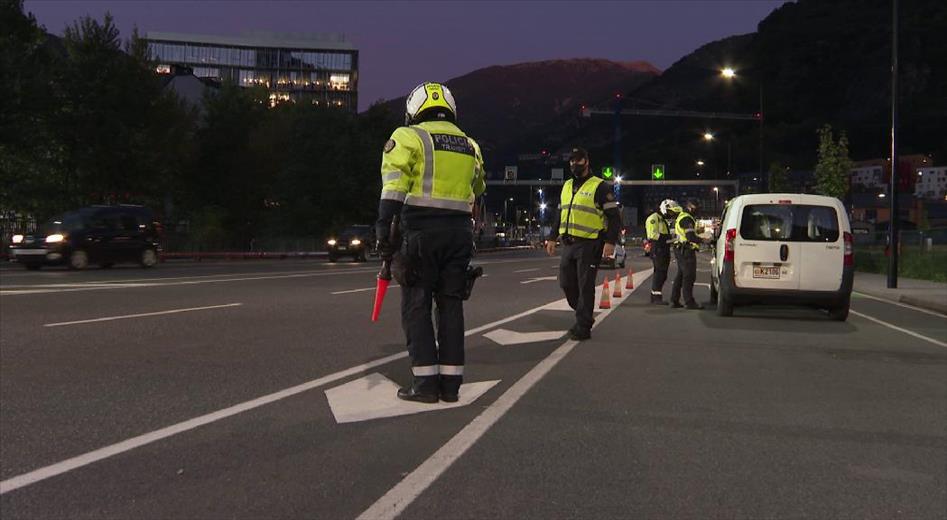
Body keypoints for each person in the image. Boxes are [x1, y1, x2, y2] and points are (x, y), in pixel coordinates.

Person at [375, 82, 486, 403]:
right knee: (451, 304)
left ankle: (424, 383)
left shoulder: (408, 137)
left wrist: (384, 230)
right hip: (458, 235)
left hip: (421, 233)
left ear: (414, 109)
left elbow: (394, 187)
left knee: (416, 304)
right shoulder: (470, 145)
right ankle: (451, 385)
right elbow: (478, 187)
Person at [544, 147, 622, 340]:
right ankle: (583, 314)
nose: (574, 164)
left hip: (590, 244)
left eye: (578, 161)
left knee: (585, 285)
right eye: (571, 161)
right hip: (569, 243)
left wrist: (610, 242)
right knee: (566, 282)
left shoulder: (600, 186)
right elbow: (559, 214)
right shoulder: (567, 185)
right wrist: (552, 237)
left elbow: (614, 218)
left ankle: (583, 325)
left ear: (586, 162)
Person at [669, 198, 704, 310]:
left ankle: (674, 300)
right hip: (686, 251)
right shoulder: (687, 218)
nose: (697, 210)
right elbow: (690, 237)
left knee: (681, 275)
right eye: (696, 208)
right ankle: (689, 302)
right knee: (689, 276)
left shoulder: (682, 216)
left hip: (681, 249)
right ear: (690, 207)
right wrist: (705, 240)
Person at [645, 200, 676, 304]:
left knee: (662, 273)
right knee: (660, 272)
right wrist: (667, 237)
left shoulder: (662, 219)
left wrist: (671, 238)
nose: (670, 214)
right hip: (658, 248)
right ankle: (656, 297)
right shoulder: (654, 218)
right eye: (669, 211)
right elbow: (652, 234)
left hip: (663, 248)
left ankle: (655, 295)